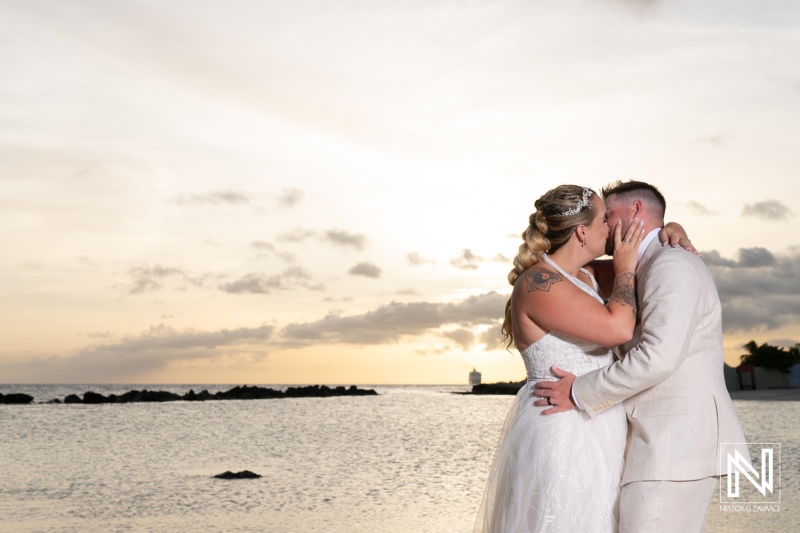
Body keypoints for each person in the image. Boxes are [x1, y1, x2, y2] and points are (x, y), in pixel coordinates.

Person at [474, 184, 691, 533]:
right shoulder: (537, 283)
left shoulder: (587, 274)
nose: (612, 226)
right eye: (605, 219)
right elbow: (619, 327)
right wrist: (623, 270)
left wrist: (669, 228)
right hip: (560, 427)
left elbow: (645, 260)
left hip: (599, 421)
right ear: (582, 231)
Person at [533, 180, 749, 532]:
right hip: (657, 447)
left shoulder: (671, 265)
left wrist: (578, 392)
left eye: (610, 215)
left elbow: (658, 357)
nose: (604, 225)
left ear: (636, 211)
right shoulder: (635, 265)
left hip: (674, 446)